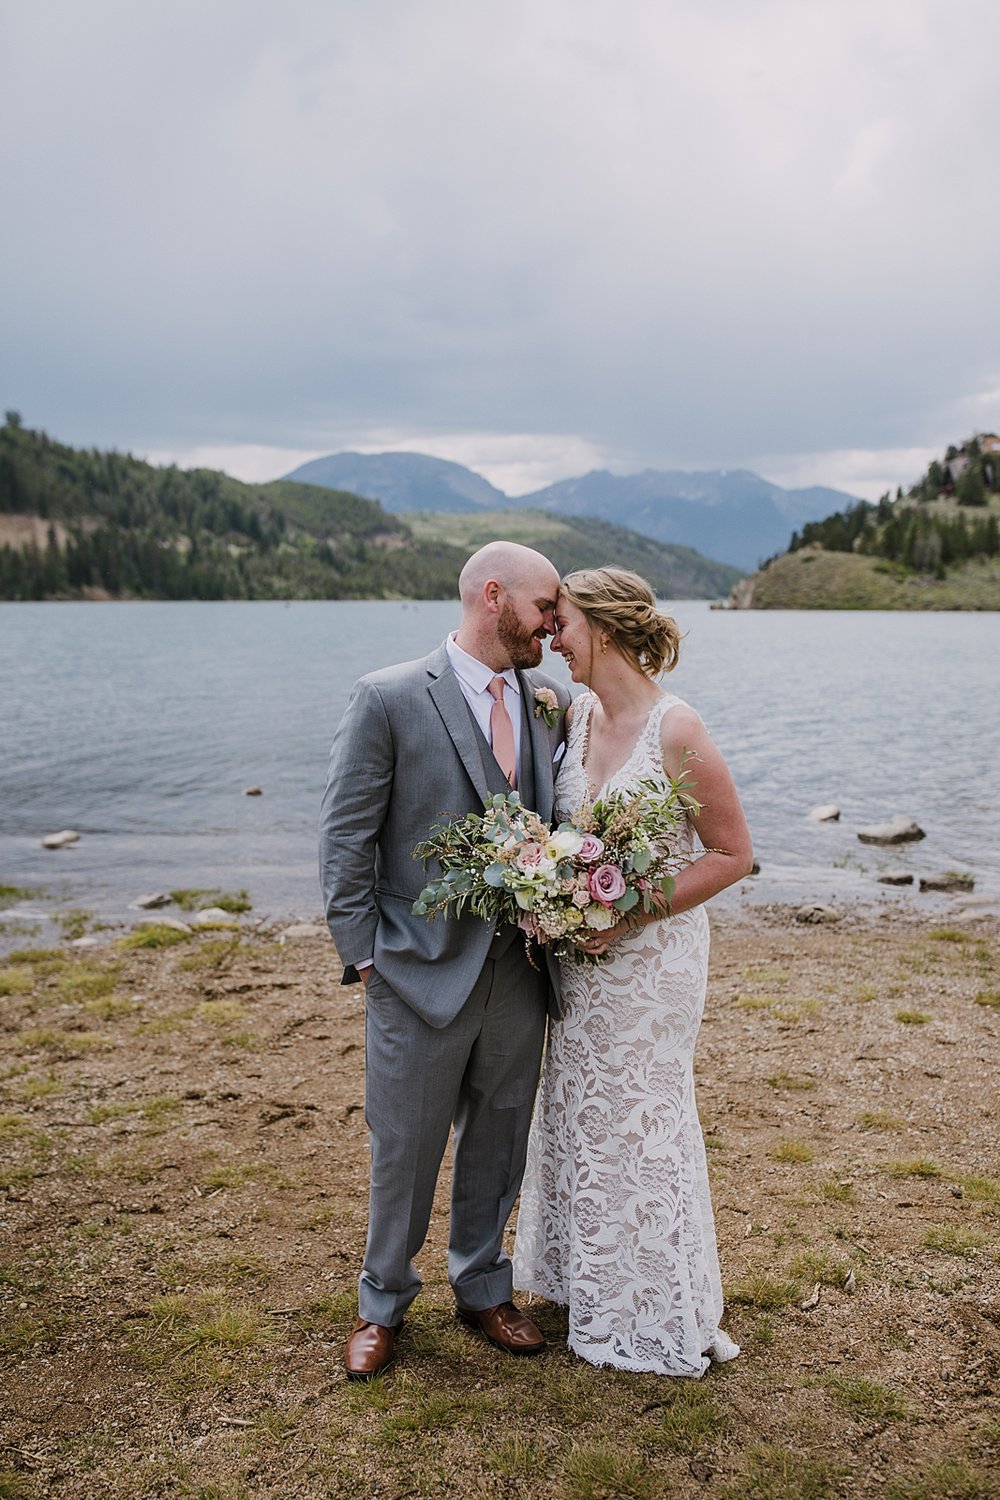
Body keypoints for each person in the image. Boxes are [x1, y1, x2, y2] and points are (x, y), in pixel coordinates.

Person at [319, 541, 570, 1380]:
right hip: (415, 971)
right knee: (406, 1148)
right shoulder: (389, 697)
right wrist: (364, 957)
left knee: (500, 1140)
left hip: (520, 973)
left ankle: (483, 1286)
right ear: (492, 596)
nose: (553, 623)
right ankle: (380, 1301)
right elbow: (346, 835)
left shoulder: (548, 702)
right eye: (544, 606)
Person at [512, 567, 753, 1377]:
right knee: (580, 1107)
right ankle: (594, 1283)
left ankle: (655, 1303)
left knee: (642, 1115)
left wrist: (627, 916)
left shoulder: (676, 729)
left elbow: (733, 855)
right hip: (583, 965)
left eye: (563, 626)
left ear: (604, 629)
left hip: (651, 962)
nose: (551, 641)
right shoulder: (575, 715)